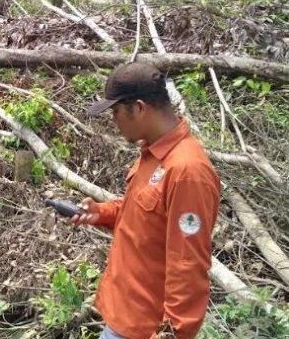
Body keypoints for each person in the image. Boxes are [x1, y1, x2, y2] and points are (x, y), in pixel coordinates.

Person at [72, 62, 220, 339]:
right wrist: (101, 213)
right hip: (124, 316)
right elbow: (144, 215)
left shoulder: (187, 172)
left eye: (115, 112)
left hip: (145, 328)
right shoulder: (152, 154)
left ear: (139, 108)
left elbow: (187, 264)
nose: (114, 121)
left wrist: (171, 333)